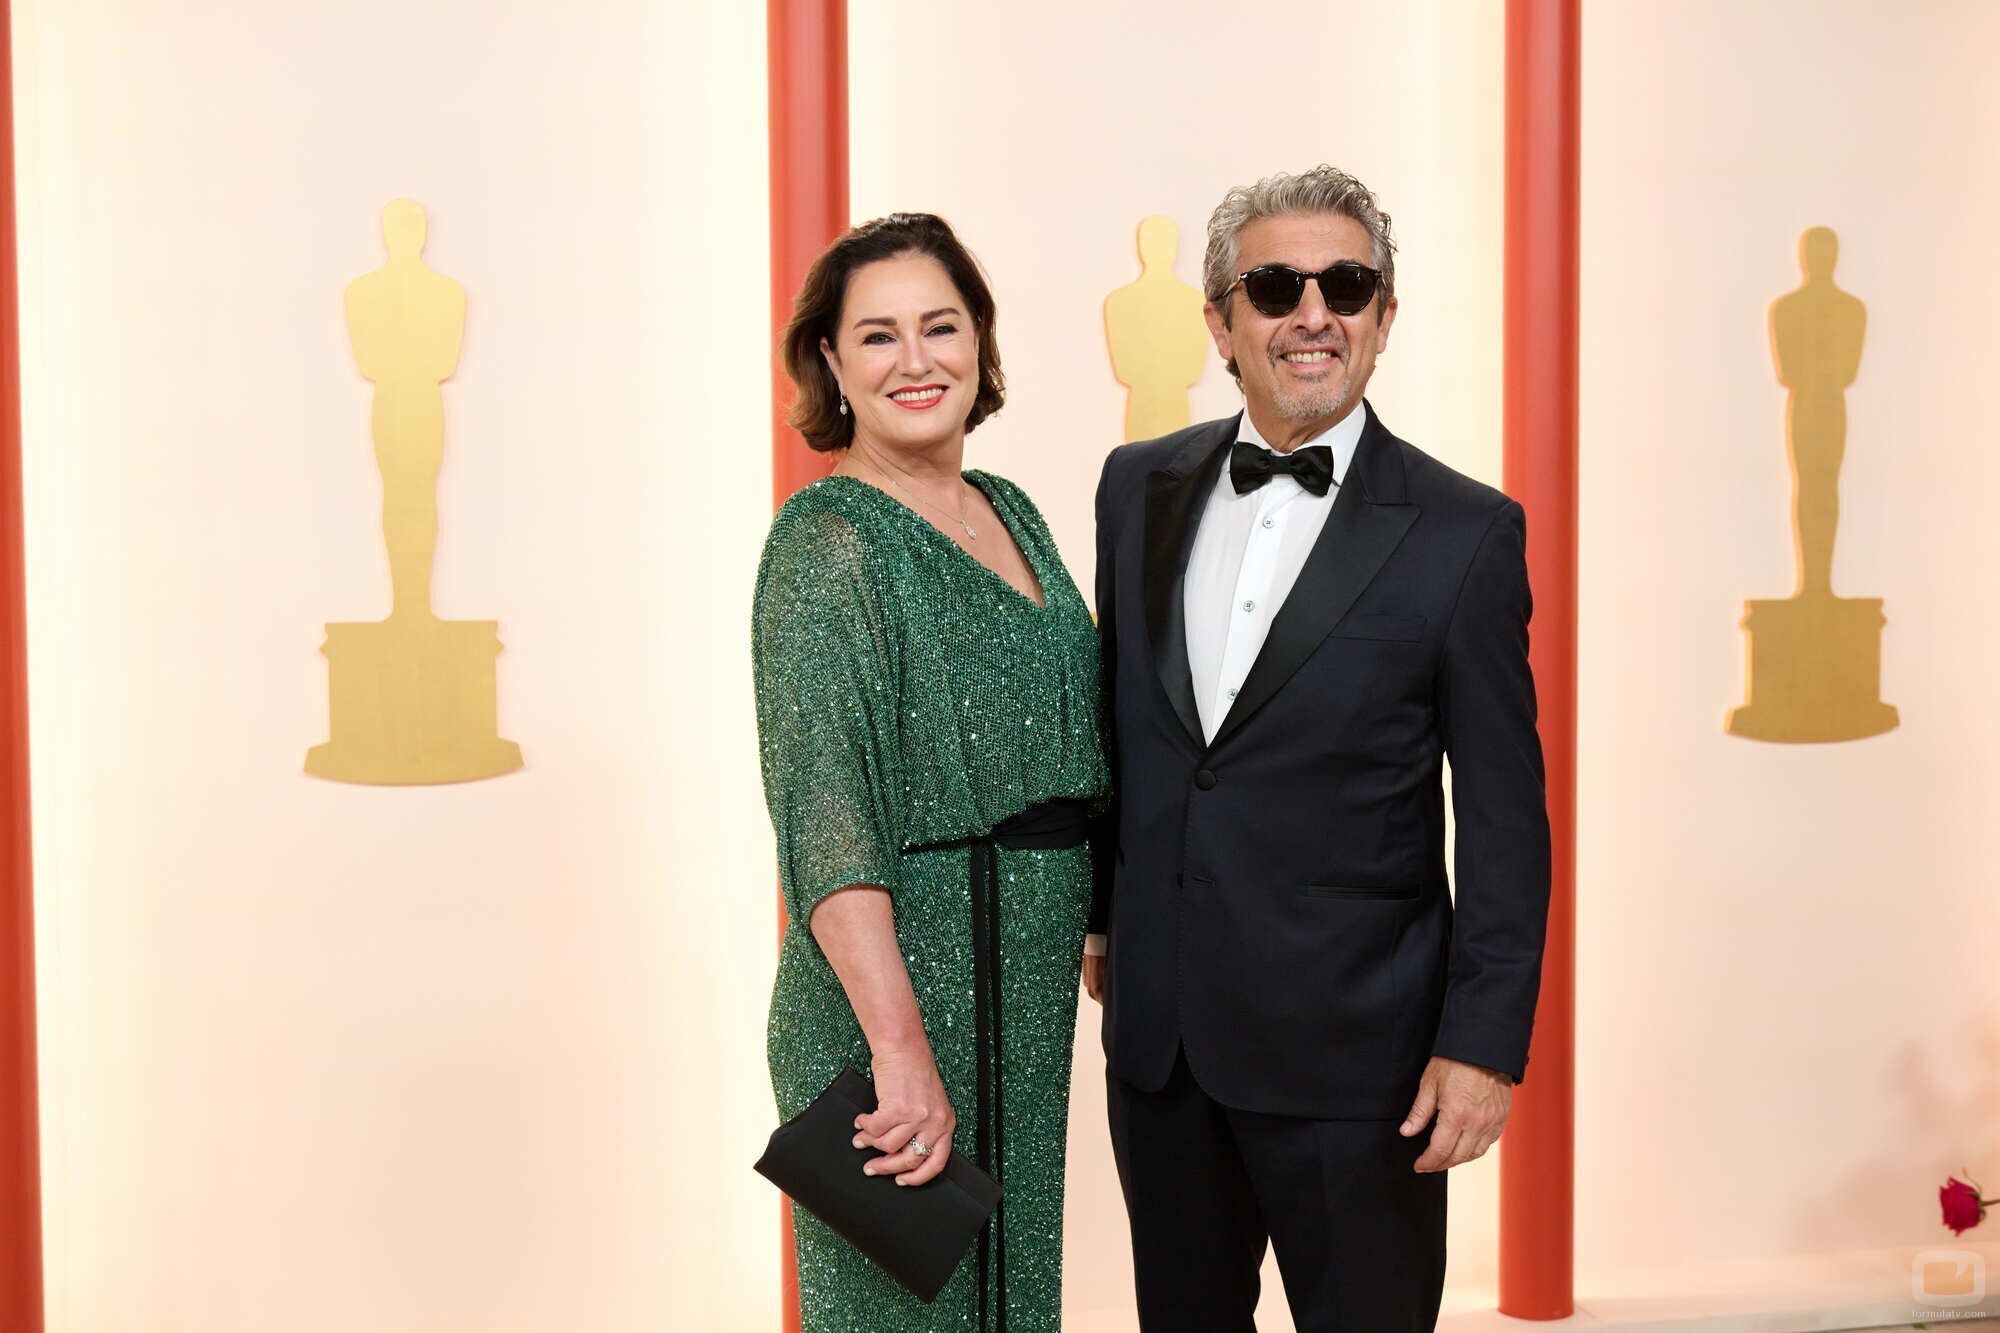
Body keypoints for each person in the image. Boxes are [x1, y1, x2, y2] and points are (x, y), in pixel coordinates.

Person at [1085, 165, 1553, 1331]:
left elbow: (1504, 817)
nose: (1312, 314)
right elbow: (1119, 723)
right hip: (1163, 1048)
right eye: (1274, 288)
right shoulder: (1133, 487)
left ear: (1382, 319)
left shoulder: (1466, 532)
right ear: (1219, 323)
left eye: (1345, 286)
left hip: (1362, 1063)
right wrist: (1099, 915)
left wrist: (1482, 1046)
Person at [753, 212, 1109, 1332]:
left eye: (940, 326)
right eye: (877, 335)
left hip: (1023, 993)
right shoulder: (825, 543)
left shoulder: (1013, 510)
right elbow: (826, 818)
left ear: (979, 342)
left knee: (1010, 1300)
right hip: (894, 999)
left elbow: (1076, 748)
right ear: (831, 362)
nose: (916, 360)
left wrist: (1099, 920)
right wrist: (899, 1050)